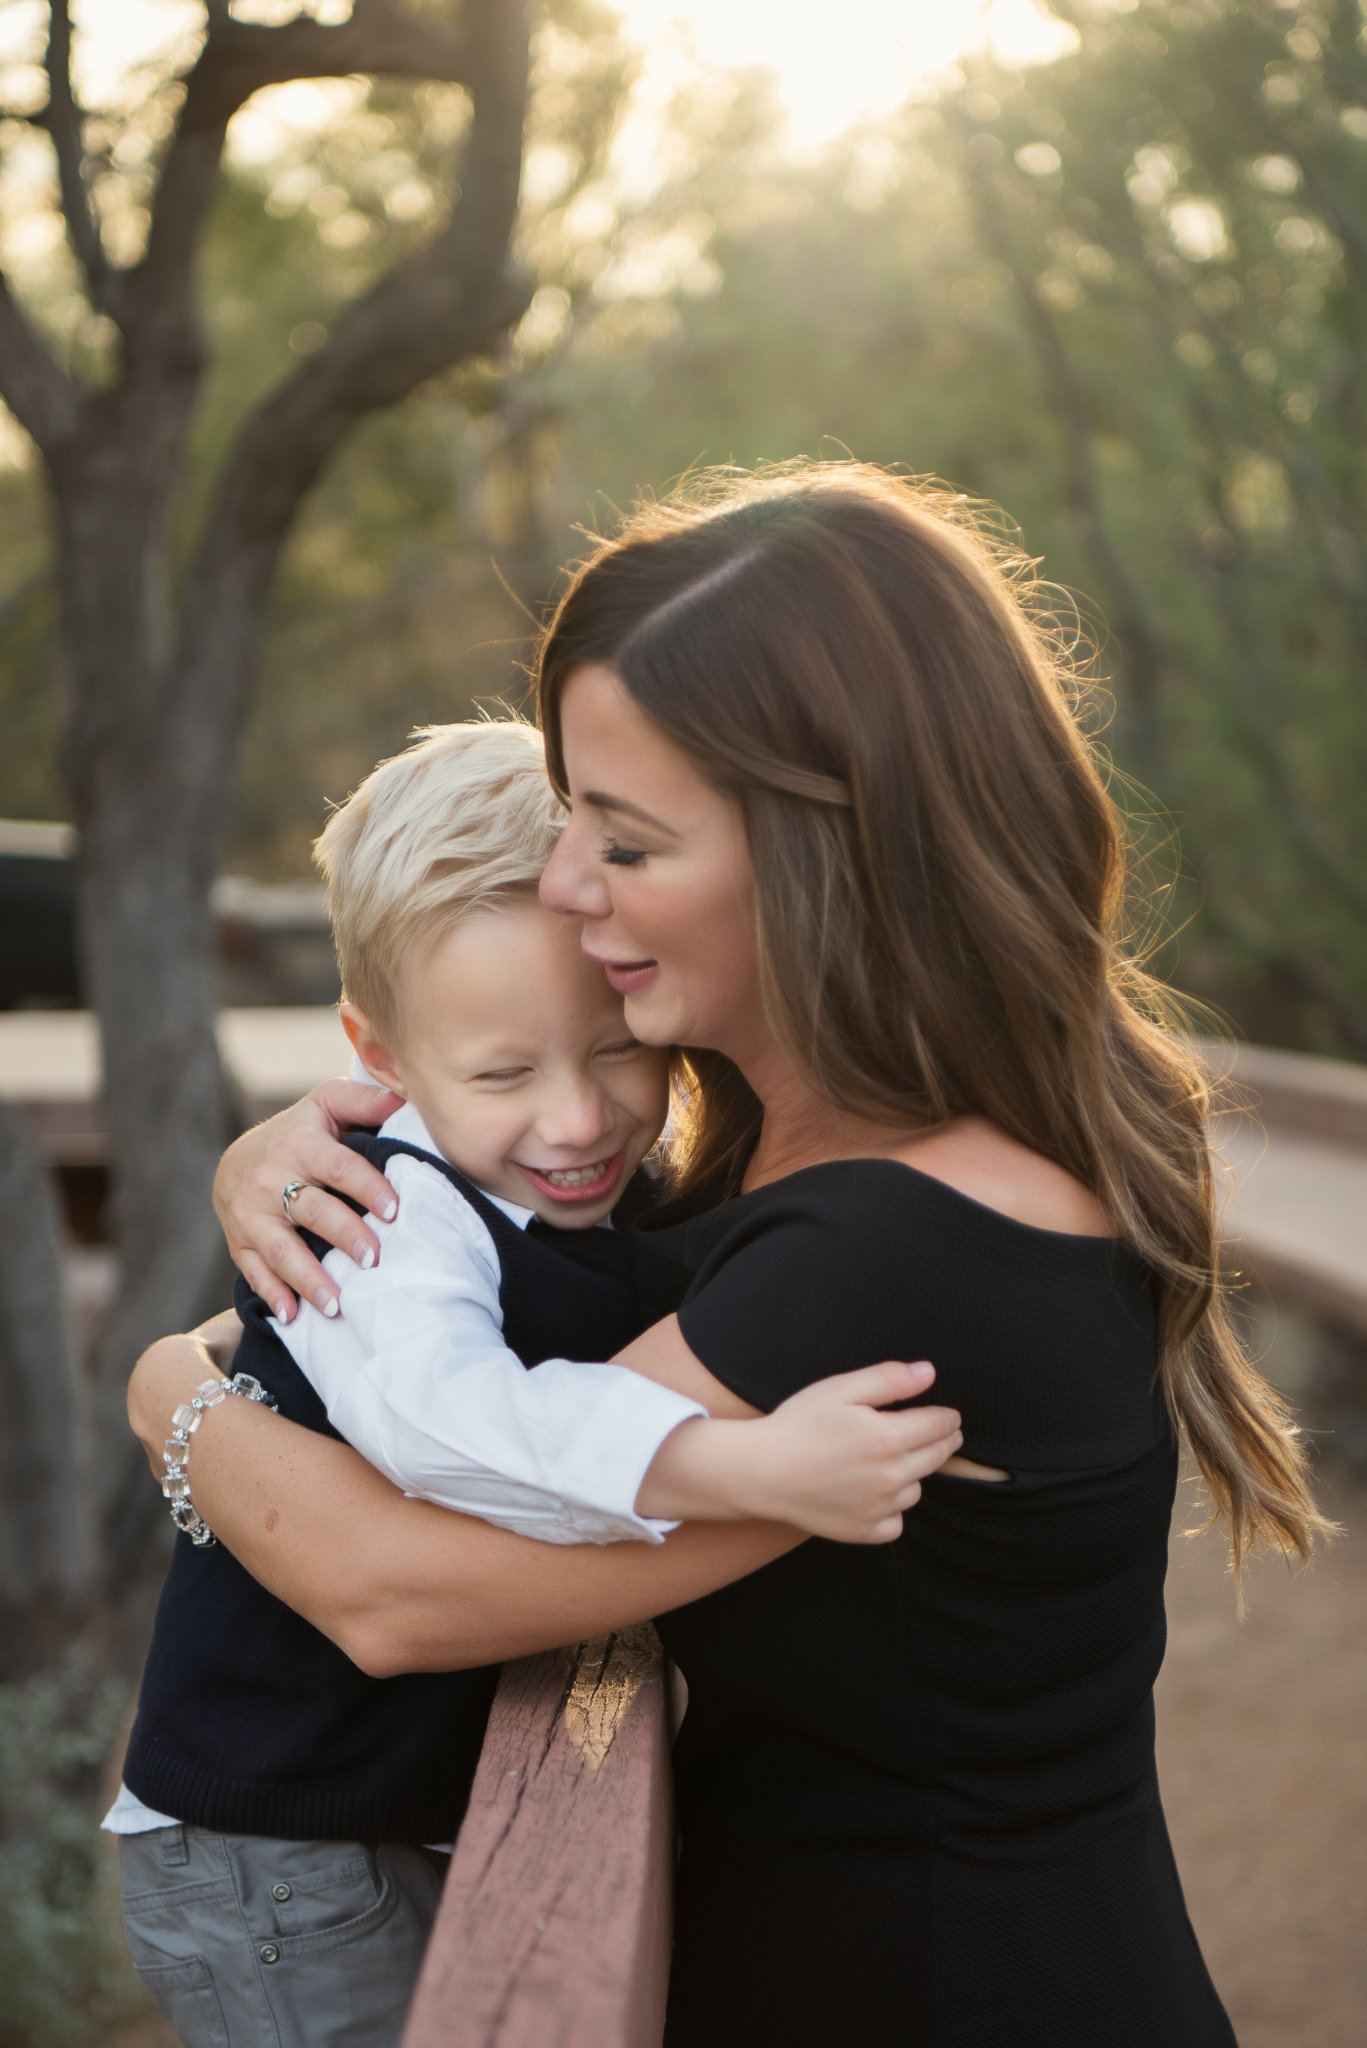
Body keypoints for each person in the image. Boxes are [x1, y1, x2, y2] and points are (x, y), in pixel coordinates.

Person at [133, 463, 1328, 2047]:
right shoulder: (768, 1131)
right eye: (573, 820)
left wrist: (169, 1393)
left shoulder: (890, 1258)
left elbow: (397, 1589)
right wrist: (331, 1163)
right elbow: (501, 1305)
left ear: (817, 852)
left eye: (624, 843)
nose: (566, 886)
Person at [109, 715, 960, 2048]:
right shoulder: (384, 1219)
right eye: (503, 1071)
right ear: (376, 1057)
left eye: (616, 1047)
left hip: (389, 1810)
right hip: (277, 1843)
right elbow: (456, 1427)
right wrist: (741, 1468)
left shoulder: (603, 1192)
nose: (575, 1120)